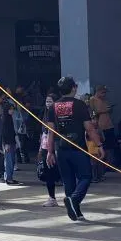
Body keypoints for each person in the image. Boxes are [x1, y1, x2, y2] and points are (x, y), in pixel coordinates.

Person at [45, 76, 99, 222]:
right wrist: (99, 145)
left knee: (68, 181)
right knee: (86, 176)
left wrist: (49, 152)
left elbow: (51, 132)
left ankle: (76, 211)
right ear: (74, 88)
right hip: (78, 147)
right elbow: (89, 128)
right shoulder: (80, 105)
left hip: (60, 149)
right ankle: (74, 200)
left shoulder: (53, 107)